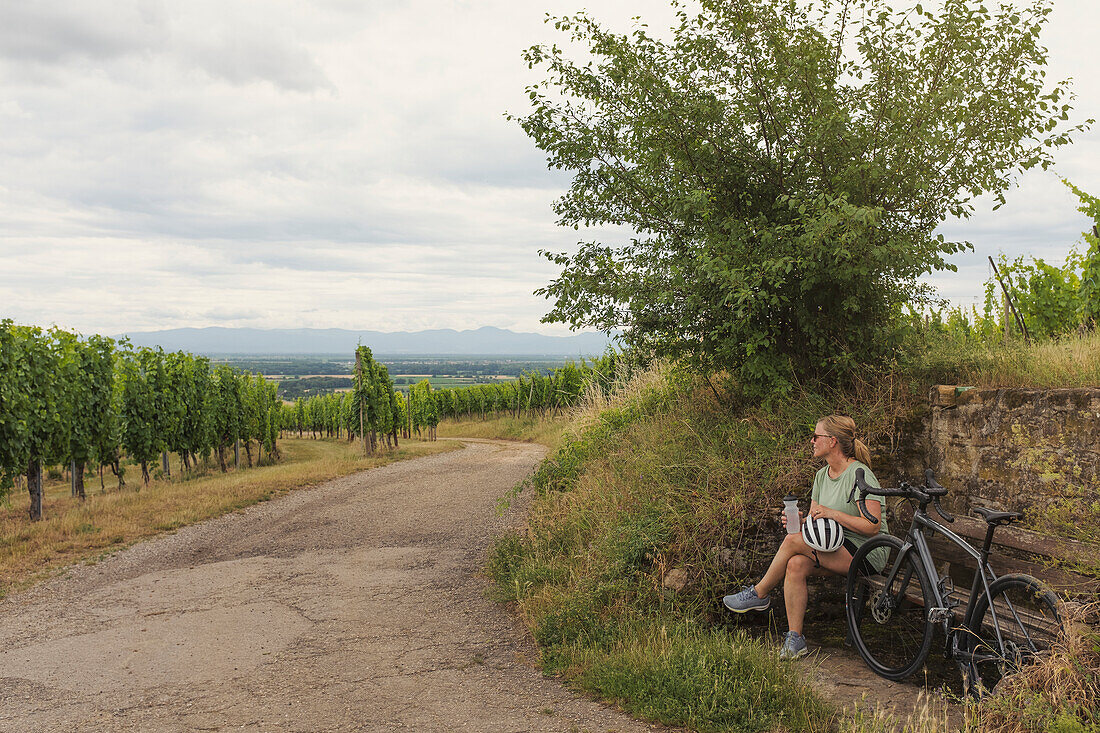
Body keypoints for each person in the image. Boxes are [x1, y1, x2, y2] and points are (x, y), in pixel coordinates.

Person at [721, 414, 888, 659]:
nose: (812, 441)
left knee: (792, 542)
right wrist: (800, 522)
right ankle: (795, 638)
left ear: (832, 441)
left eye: (816, 436)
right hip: (835, 546)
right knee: (795, 563)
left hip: (868, 552)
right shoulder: (822, 476)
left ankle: (759, 594)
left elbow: (873, 526)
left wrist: (833, 513)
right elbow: (817, 524)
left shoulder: (860, 474)